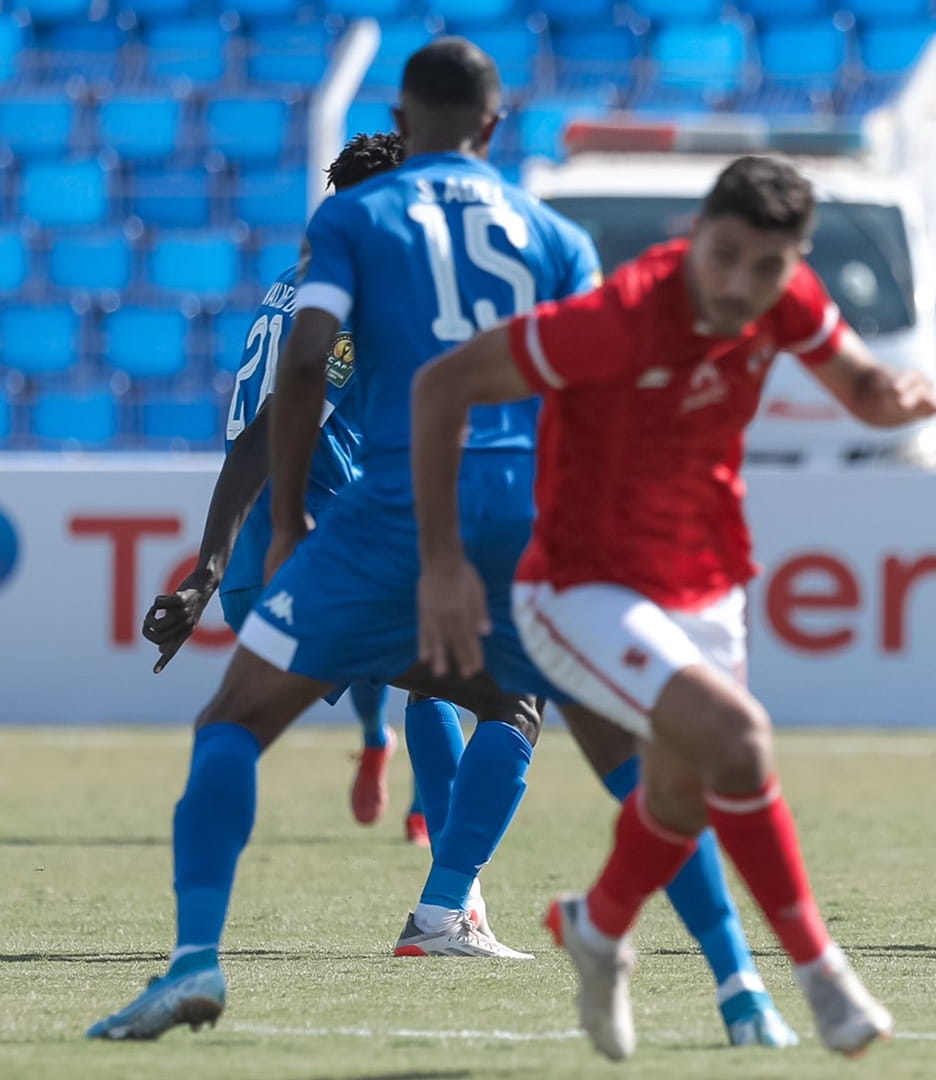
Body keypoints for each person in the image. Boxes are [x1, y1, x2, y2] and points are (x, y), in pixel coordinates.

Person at [89, 39, 792, 1046]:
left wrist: (256, 544)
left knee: (233, 724)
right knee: (603, 740)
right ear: (495, 130)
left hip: (372, 530)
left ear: (405, 126)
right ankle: (740, 994)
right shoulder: (554, 235)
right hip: (506, 522)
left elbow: (297, 384)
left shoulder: (355, 223)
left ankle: (197, 960)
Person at [409, 154, 936, 1060]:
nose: (741, 285)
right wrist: (443, 563)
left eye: (766, 267)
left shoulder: (786, 294)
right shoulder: (615, 319)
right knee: (738, 739)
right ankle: (824, 976)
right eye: (724, 256)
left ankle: (599, 923)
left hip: (703, 577)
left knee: (682, 792)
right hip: (578, 587)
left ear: (793, 260)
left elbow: (859, 384)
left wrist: (895, 400)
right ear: (697, 235)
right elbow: (441, 386)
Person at [141, 133, 441, 833]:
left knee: (241, 719)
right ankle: (452, 900)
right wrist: (201, 572)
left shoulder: (290, 280)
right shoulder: (354, 297)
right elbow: (271, 432)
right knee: (468, 684)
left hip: (262, 560)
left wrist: (210, 572)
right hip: (312, 538)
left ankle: (196, 932)